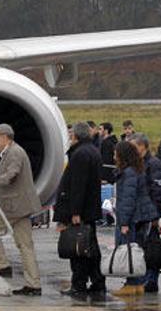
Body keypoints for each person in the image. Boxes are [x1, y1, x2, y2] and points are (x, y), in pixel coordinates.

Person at [0, 124, 42, 296]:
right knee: (25, 246)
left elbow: (11, 175)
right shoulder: (10, 153)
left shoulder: (15, 153)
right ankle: (33, 285)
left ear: (5, 137)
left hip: (14, 208)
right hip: (19, 207)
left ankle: (1, 266)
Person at [54, 122, 105, 297]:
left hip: (80, 211)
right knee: (90, 248)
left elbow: (78, 185)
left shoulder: (80, 154)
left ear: (76, 136)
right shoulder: (92, 151)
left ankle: (79, 284)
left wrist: (75, 212)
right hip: (89, 209)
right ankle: (97, 281)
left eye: (70, 134)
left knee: (78, 249)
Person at [111, 141, 158, 296]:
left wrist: (124, 222)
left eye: (116, 153)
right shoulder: (136, 170)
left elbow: (127, 200)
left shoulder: (128, 173)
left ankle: (132, 283)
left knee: (129, 250)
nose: (113, 156)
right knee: (136, 250)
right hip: (141, 217)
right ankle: (137, 283)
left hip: (133, 218)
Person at [128, 133, 161, 293]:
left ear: (142, 146)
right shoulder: (137, 164)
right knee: (141, 247)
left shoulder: (154, 164)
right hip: (139, 213)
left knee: (152, 248)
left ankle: (151, 280)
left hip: (150, 213)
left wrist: (155, 215)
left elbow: (158, 190)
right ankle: (143, 278)